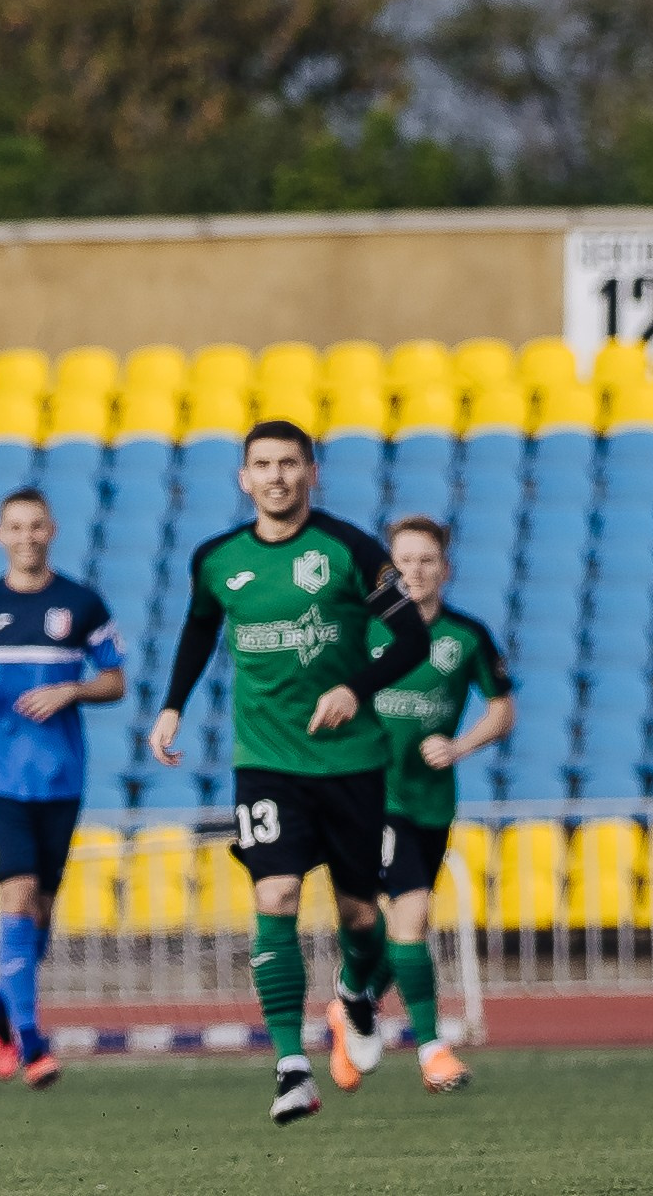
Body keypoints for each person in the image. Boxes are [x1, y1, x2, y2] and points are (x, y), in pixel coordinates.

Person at [145, 420, 430, 1125]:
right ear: (243, 478)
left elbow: (412, 636)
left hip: (352, 763)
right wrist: (172, 704)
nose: (275, 475)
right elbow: (199, 627)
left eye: (288, 463)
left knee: (361, 916)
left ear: (310, 472)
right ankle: (290, 1066)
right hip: (265, 765)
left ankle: (356, 994)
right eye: (262, 464)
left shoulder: (349, 550)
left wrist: (354, 688)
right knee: (273, 894)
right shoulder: (216, 559)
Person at [0, 487, 124, 1089]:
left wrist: (72, 690)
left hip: (60, 781)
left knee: (40, 917)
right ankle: (34, 1042)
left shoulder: (80, 604)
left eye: (36, 526)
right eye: (14, 527)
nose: (25, 537)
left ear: (52, 531)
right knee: (15, 898)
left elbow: (116, 680)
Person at [345, 514, 514, 1096]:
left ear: (445, 569)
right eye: (404, 562)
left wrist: (461, 745)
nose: (415, 573)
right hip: (373, 798)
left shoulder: (466, 636)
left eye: (427, 561)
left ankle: (352, 1001)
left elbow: (501, 709)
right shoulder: (363, 630)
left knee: (405, 928)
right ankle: (431, 1048)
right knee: (409, 921)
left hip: (431, 803)